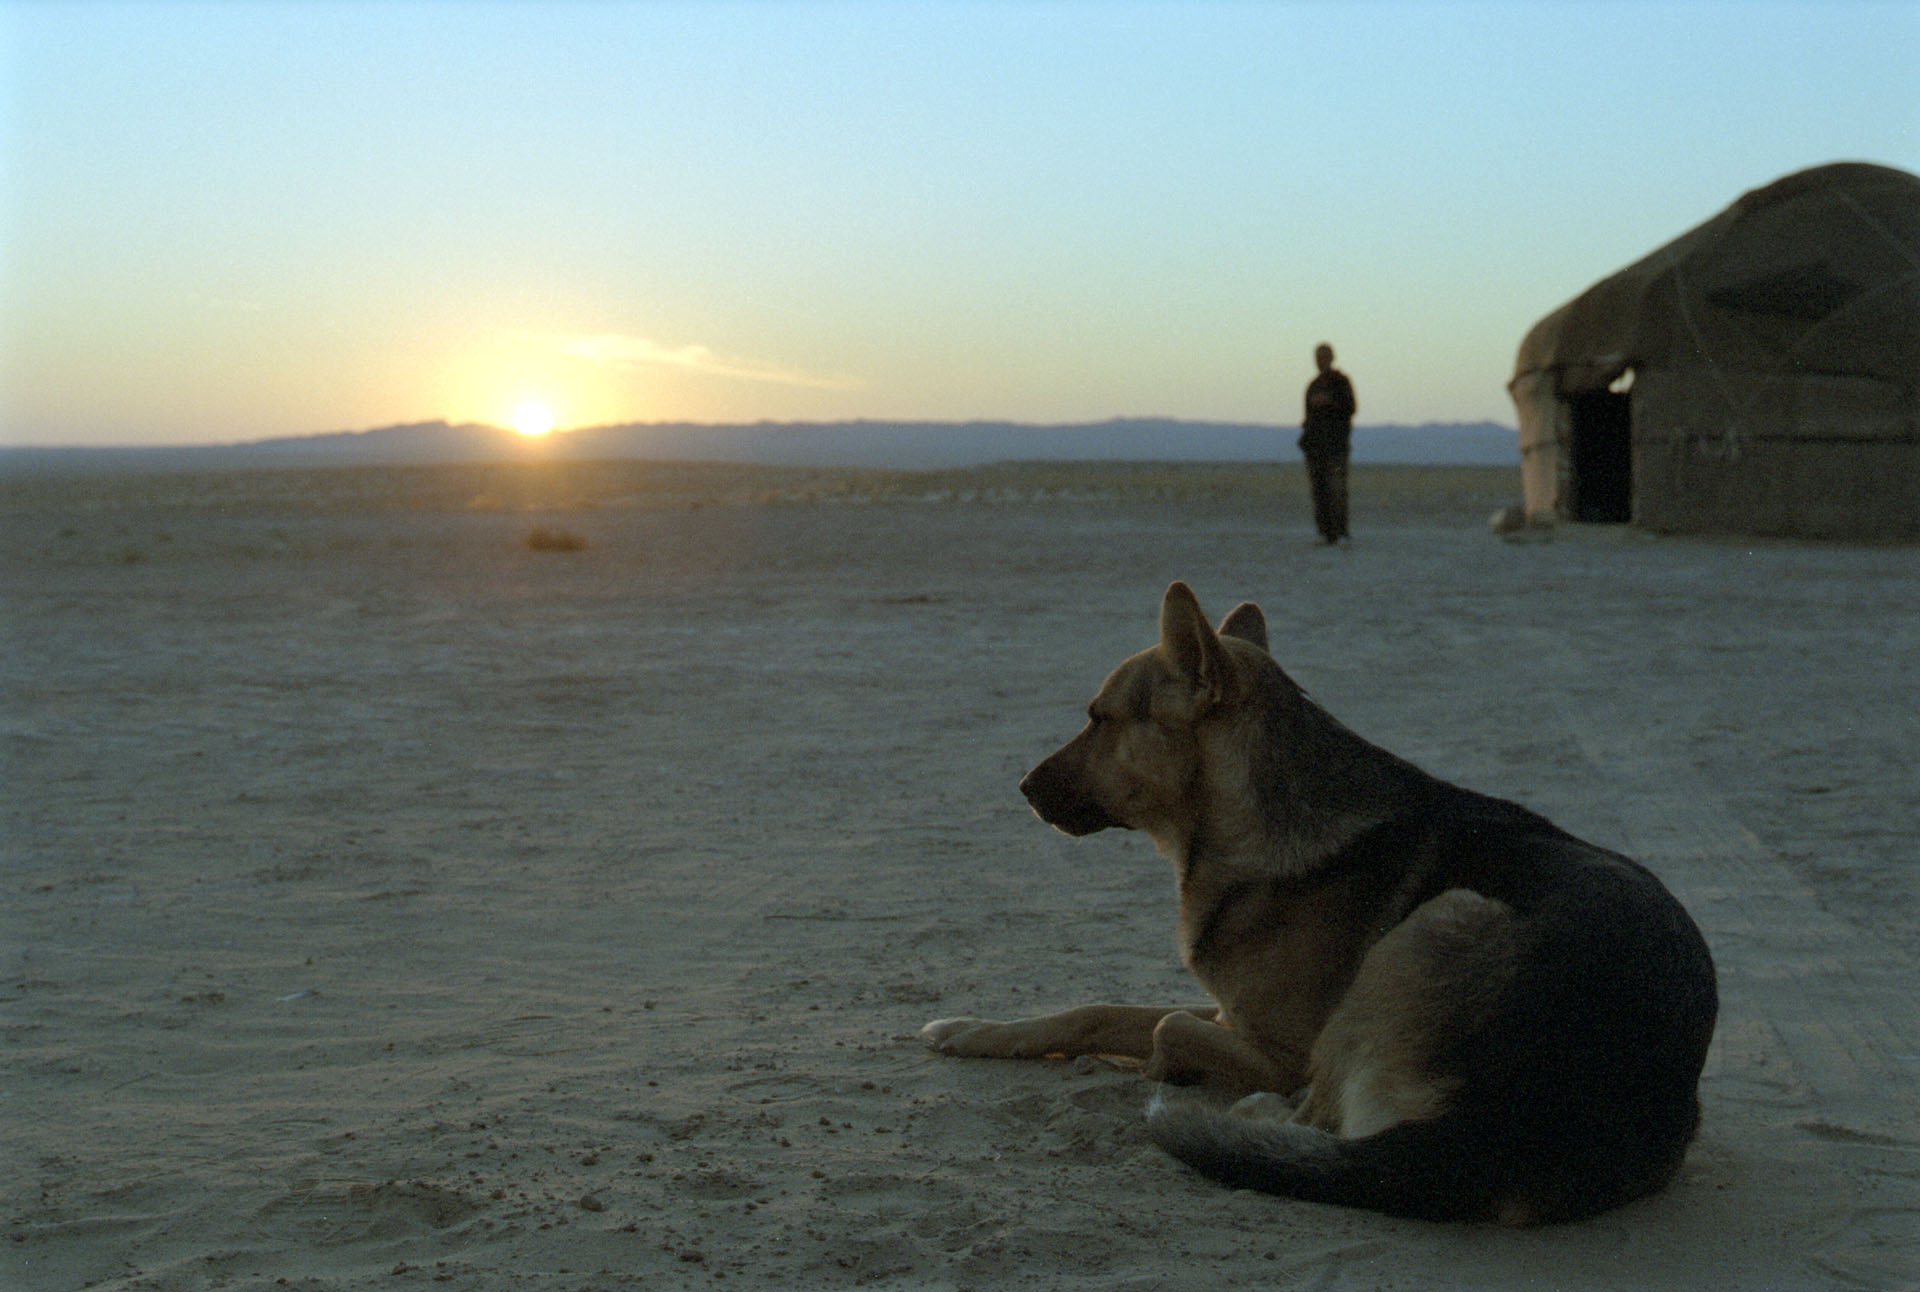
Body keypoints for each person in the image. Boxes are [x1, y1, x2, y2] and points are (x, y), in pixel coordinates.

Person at [1298, 343, 1356, 544]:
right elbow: (1307, 416)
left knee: (1337, 489)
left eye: (1323, 356)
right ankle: (1325, 532)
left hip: (1336, 446)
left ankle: (1341, 532)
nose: (1320, 360)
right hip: (1316, 447)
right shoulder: (1313, 386)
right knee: (1319, 490)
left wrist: (1330, 404)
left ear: (1331, 358)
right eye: (1317, 357)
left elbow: (1350, 408)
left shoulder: (1340, 382)